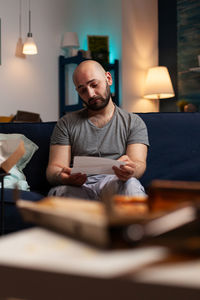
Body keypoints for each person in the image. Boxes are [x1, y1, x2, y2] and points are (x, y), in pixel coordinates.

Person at [46, 60, 149, 201]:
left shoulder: (133, 122)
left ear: (108, 79)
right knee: (59, 192)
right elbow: (53, 169)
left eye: (94, 85)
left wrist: (131, 169)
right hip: (79, 187)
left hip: (115, 183)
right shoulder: (66, 123)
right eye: (82, 90)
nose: (90, 94)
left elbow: (139, 163)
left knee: (132, 185)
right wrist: (62, 176)